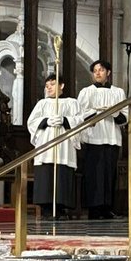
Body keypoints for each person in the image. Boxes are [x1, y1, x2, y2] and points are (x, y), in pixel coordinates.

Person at [27, 73, 84, 219]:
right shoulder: (42, 104)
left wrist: (65, 120)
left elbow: (80, 120)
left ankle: (61, 208)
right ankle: (46, 209)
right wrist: (46, 121)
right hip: (46, 144)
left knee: (62, 174)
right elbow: (31, 122)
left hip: (64, 145)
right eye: (47, 85)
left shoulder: (72, 103)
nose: (49, 88)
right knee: (46, 175)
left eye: (52, 84)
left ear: (61, 85)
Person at [77, 60, 128, 219]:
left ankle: (107, 208)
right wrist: (97, 112)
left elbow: (125, 118)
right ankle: (94, 209)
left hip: (112, 137)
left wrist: (113, 112)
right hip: (93, 137)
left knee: (109, 174)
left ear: (108, 72)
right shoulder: (87, 92)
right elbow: (79, 115)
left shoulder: (118, 92)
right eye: (95, 71)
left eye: (101, 70)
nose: (98, 73)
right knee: (94, 174)